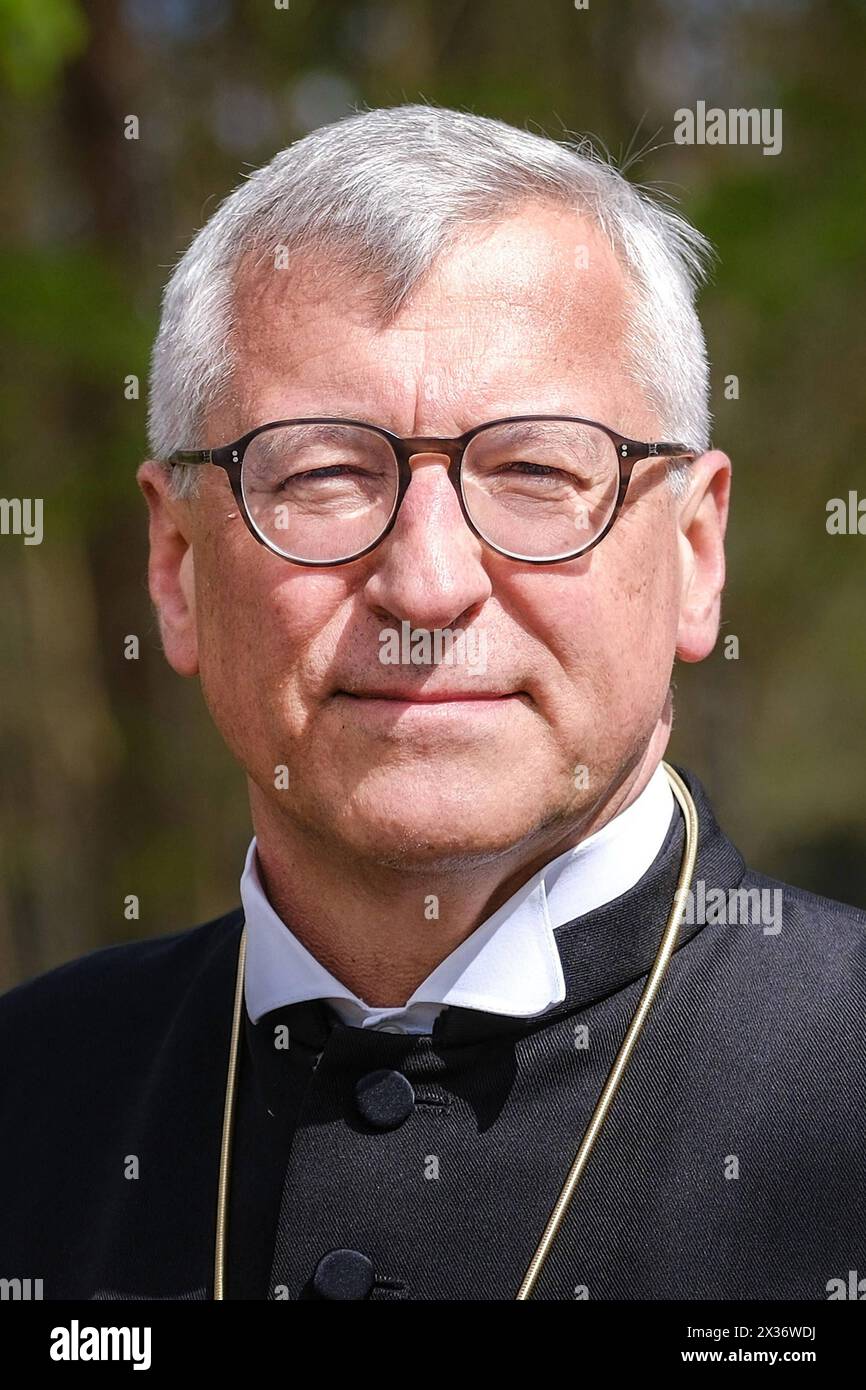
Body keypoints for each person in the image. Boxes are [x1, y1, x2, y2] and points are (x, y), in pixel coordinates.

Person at [1, 104, 863, 1303]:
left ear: (694, 551)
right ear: (178, 567)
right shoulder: (30, 1097)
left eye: (534, 471)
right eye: (319, 473)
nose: (427, 585)